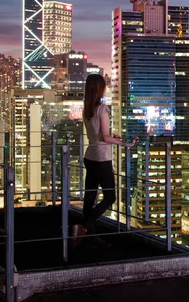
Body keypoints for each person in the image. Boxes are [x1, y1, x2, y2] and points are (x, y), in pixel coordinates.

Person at [72, 74, 138, 249]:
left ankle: (89, 237)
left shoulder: (87, 109)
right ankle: (84, 228)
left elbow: (98, 136)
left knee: (90, 197)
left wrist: (111, 138)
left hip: (90, 156)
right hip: (102, 158)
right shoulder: (102, 108)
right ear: (100, 89)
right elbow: (105, 137)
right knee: (110, 197)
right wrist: (125, 143)